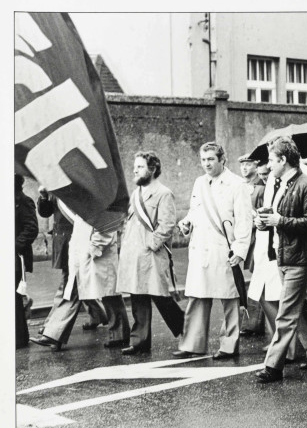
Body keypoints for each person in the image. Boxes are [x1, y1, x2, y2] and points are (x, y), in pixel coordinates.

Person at [254, 136, 307, 382]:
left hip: (299, 257)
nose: (268, 165)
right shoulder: (283, 184)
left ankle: (273, 366)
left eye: (271, 160)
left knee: (286, 312)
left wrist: (279, 221)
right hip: (284, 254)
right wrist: (263, 222)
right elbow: (279, 217)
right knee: (302, 307)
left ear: (284, 160)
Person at [173, 142, 253, 360]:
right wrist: (186, 223)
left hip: (224, 249)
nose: (206, 164)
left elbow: (245, 221)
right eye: (203, 160)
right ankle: (192, 344)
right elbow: (194, 210)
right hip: (200, 248)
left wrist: (240, 249)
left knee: (229, 298)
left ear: (222, 159)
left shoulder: (237, 185)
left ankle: (229, 345)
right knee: (198, 297)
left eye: (211, 159)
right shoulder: (199, 183)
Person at [31, 206, 130, 351]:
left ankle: (120, 334)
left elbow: (107, 227)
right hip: (83, 257)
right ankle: (54, 335)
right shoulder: (84, 201)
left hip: (99, 257)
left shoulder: (102, 199)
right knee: (72, 290)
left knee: (109, 295)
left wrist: (94, 248)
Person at [116, 151, 184, 355]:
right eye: (134, 167)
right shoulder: (136, 194)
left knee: (162, 298)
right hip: (133, 255)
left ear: (152, 169)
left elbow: (167, 225)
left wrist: (150, 245)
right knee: (137, 298)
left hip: (151, 256)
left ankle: (187, 331)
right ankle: (139, 342)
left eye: (140, 167)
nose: (135, 170)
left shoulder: (163, 193)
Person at [37, 189, 108, 332]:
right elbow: (46, 212)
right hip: (62, 239)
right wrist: (44, 197)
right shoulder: (54, 183)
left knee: (68, 282)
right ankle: (99, 314)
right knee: (77, 280)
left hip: (76, 237)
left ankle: (51, 324)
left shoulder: (75, 181)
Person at [238, 155, 267, 336]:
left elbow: (265, 213)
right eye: (242, 165)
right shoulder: (241, 186)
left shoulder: (261, 187)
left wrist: (252, 214)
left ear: (256, 166)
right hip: (246, 239)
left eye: (248, 164)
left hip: (258, 238)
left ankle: (253, 323)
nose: (245, 168)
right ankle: (253, 323)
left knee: (259, 279)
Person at [15, 175, 38, 349]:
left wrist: (13, 246)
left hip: (16, 258)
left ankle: (19, 339)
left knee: (13, 299)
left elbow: (31, 228)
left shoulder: (23, 201)